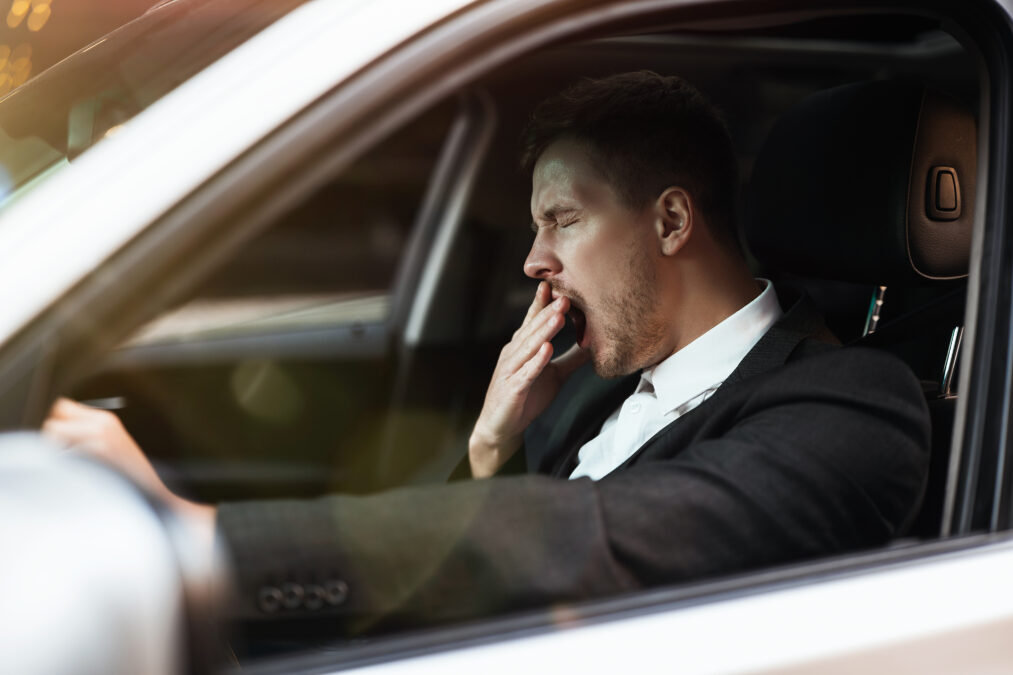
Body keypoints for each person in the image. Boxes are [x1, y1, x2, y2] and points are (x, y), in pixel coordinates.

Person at [43, 71, 929, 630]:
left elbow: (585, 537)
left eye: (563, 221)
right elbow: (440, 572)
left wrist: (206, 542)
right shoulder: (591, 384)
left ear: (669, 220)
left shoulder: (854, 405)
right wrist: (488, 446)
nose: (533, 261)